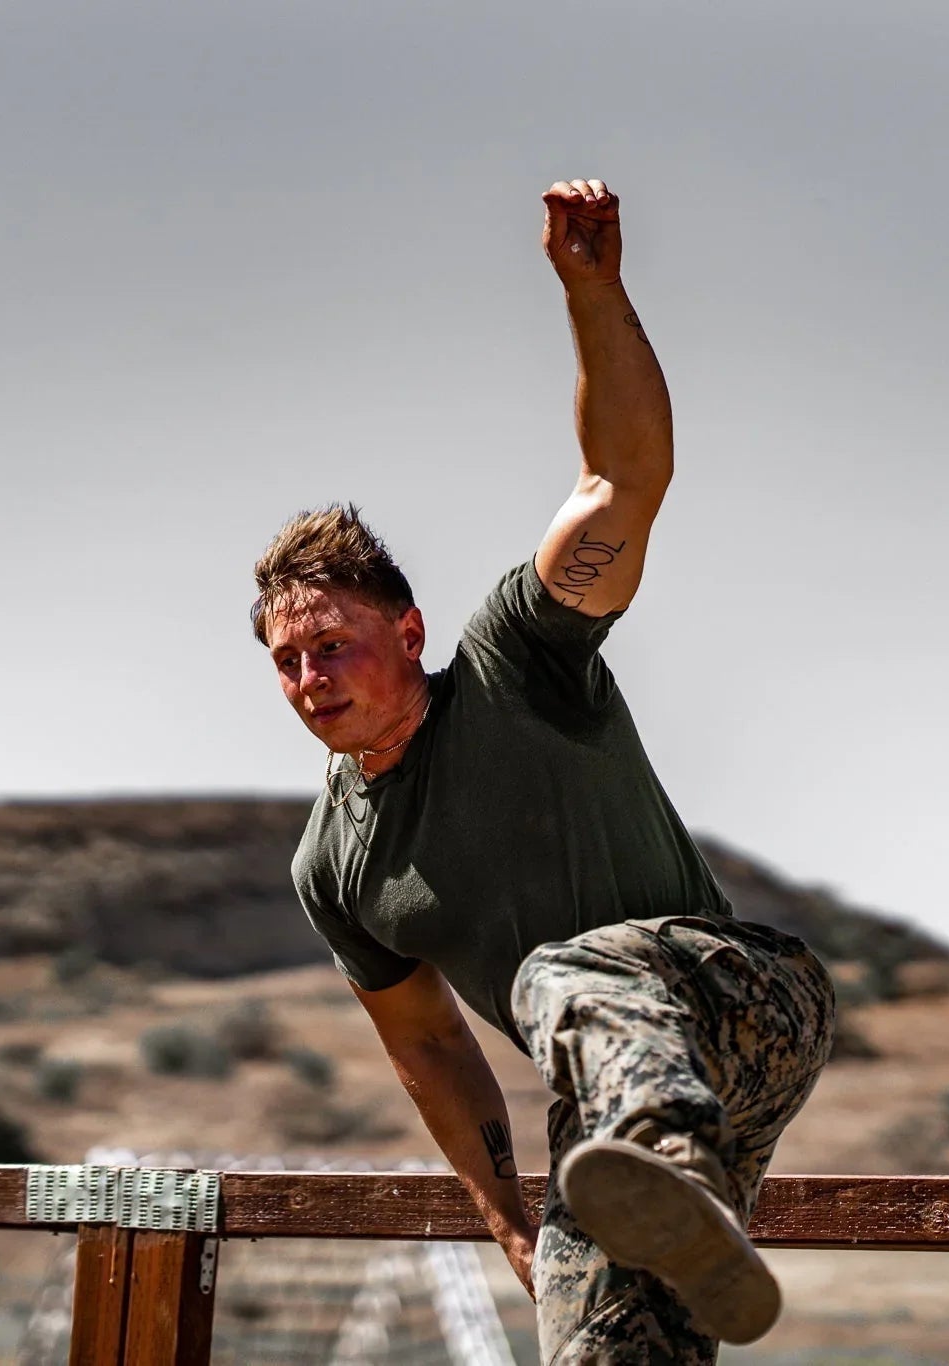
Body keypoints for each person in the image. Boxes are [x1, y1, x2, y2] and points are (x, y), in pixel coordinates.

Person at [251, 178, 835, 1363]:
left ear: (406, 635)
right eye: (287, 660)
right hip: (606, 1137)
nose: (310, 675)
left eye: (333, 643)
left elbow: (621, 484)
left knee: (557, 973)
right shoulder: (333, 863)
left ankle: (672, 1157)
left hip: (744, 999)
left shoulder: (519, 659)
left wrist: (592, 290)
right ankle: (671, 1199)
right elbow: (423, 1045)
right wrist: (506, 1219)